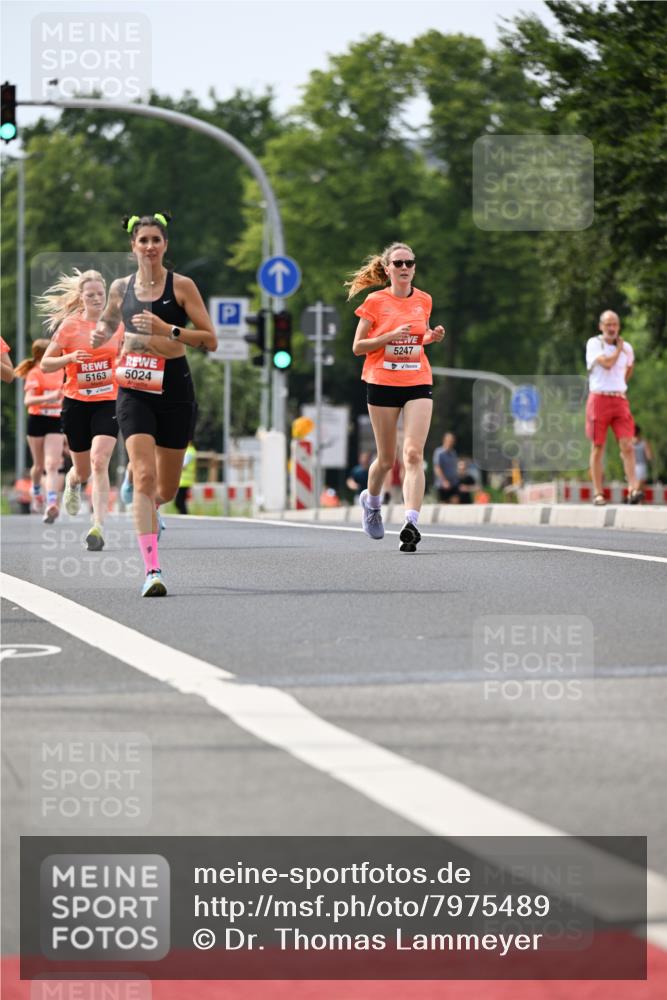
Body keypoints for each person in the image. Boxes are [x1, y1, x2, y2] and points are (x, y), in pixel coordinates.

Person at [92, 212, 216, 596]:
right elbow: (109, 322)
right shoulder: (119, 287)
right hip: (132, 389)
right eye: (142, 240)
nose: (149, 247)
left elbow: (209, 340)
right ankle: (152, 570)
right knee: (144, 476)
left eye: (155, 240)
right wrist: (97, 335)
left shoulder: (182, 287)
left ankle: (151, 507)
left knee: (167, 487)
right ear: (133, 246)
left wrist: (168, 329)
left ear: (165, 245)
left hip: (175, 389)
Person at [346, 241, 445, 552]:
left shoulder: (424, 300)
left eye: (410, 263)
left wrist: (431, 337)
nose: (405, 268)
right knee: (386, 460)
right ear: (387, 269)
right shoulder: (375, 301)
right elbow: (358, 347)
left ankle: (411, 522)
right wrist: (388, 337)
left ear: (415, 268)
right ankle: (371, 503)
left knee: (414, 454)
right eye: (398, 263)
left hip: (417, 379)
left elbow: (419, 337)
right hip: (382, 382)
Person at [40, 269, 124, 551]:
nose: (97, 299)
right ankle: (73, 483)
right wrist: (71, 357)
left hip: (108, 400)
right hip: (76, 403)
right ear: (82, 297)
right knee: (82, 470)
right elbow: (45, 364)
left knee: (101, 462)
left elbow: (129, 355)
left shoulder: (116, 325)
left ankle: (97, 526)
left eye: (101, 294)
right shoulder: (69, 327)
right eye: (91, 295)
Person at [585, 310, 642, 505]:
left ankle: (633, 488)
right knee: (598, 446)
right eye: (608, 324)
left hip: (619, 399)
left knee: (627, 444)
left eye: (615, 324)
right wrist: (617, 350)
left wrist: (620, 386)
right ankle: (598, 492)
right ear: (601, 326)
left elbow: (630, 367)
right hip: (598, 399)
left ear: (619, 326)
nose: (611, 328)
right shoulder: (594, 344)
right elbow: (608, 364)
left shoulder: (627, 348)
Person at [14, 339, 65, 522]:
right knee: (39, 465)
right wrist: (51, 396)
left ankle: (51, 502)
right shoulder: (35, 373)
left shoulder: (61, 371)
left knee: (53, 464)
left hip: (55, 420)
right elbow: (28, 401)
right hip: (37, 420)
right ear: (42, 355)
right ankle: (36, 492)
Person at [432, 432, 459, 503]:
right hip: (442, 484)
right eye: (449, 441)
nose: (451, 443)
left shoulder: (453, 453)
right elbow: (437, 468)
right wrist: (444, 481)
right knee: (444, 503)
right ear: (444, 440)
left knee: (455, 501)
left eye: (452, 441)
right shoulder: (439, 452)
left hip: (453, 483)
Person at [175, 441, 197, 514]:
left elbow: (183, 464)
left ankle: (184, 515)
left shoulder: (189, 452)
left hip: (184, 481)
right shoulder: (190, 451)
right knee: (181, 501)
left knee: (179, 502)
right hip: (185, 480)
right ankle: (184, 514)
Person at [632, 424, 653, 494]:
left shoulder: (629, 443)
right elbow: (649, 456)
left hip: (631, 465)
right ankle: (638, 499)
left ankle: (634, 495)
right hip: (641, 465)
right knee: (641, 484)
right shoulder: (644, 443)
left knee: (634, 482)